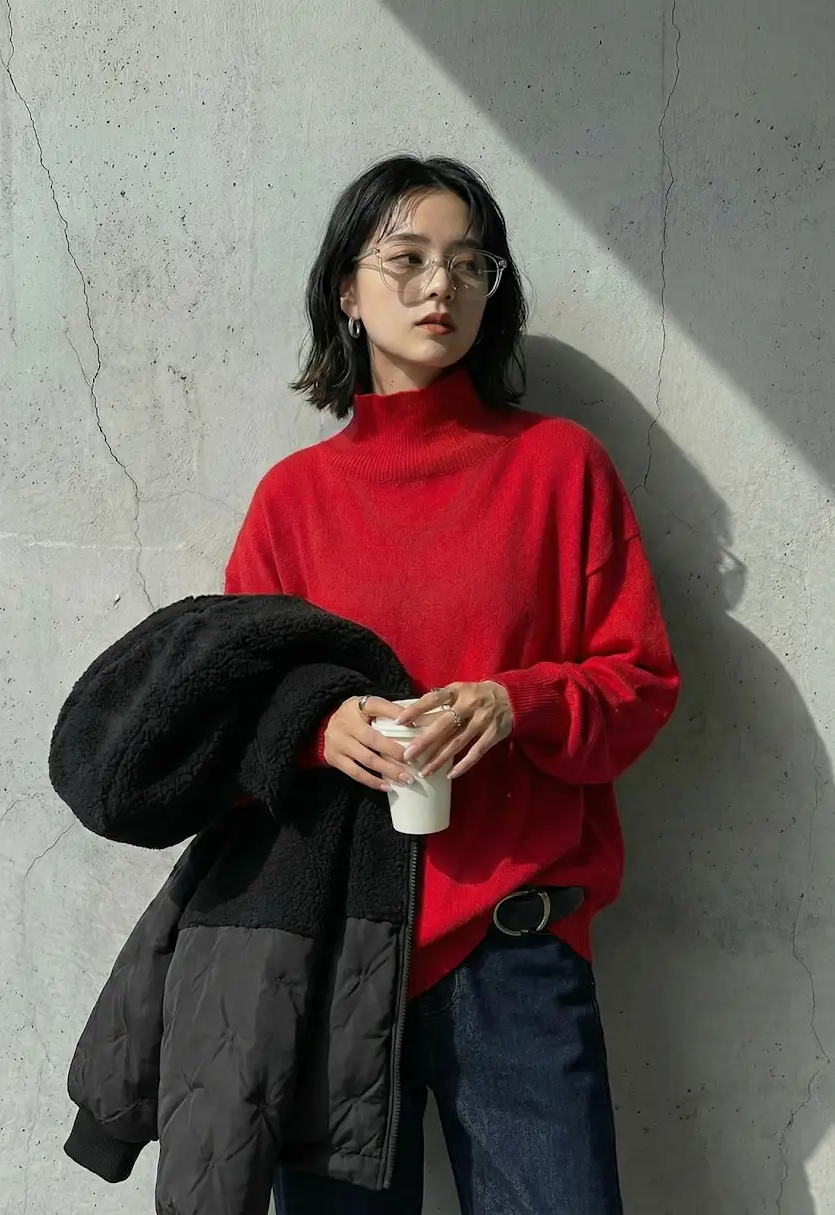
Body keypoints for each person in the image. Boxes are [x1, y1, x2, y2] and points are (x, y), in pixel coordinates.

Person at [224, 155, 680, 1215]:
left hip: (516, 957)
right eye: (408, 259)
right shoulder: (294, 501)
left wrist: (517, 702)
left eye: (471, 264)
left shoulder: (559, 467)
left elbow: (642, 682)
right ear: (346, 290)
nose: (442, 286)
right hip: (335, 955)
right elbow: (231, 717)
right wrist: (318, 731)